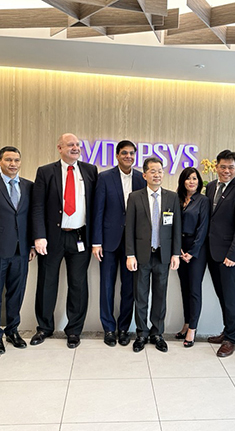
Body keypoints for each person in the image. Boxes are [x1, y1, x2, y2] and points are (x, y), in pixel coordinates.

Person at [31, 133, 98, 349]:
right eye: (70, 145)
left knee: (78, 285)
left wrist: (96, 239)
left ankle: (74, 330)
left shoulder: (90, 171)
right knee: (47, 282)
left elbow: (95, 207)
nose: (75, 148)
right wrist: (39, 236)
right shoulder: (45, 172)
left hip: (80, 236)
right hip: (52, 238)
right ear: (59, 148)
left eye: (78, 145)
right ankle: (44, 328)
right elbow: (38, 206)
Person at [0, 146, 35, 354]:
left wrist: (30, 245)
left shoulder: (29, 186)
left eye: (16, 160)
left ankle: (12, 330)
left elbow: (31, 218)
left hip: (21, 250)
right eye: (9, 160)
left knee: (16, 293)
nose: (13, 164)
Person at [92, 140, 146, 347]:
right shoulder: (105, 178)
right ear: (117, 155)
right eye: (124, 153)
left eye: (132, 153)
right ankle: (108, 328)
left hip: (132, 244)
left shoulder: (142, 179)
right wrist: (96, 241)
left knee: (129, 288)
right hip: (108, 241)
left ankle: (123, 328)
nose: (128, 156)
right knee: (106, 286)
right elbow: (98, 211)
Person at [125, 157, 181, 353]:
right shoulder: (134, 197)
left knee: (160, 296)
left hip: (163, 255)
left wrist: (176, 253)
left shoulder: (172, 197)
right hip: (141, 255)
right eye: (153, 171)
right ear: (145, 175)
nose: (157, 175)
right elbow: (129, 228)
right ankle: (141, 333)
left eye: (160, 171)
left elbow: (176, 228)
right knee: (140, 297)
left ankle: (157, 333)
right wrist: (129, 254)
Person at [205, 150, 235, 357]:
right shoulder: (209, 187)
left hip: (229, 255)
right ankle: (227, 330)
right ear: (216, 167)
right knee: (221, 294)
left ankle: (232, 338)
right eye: (223, 166)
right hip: (212, 252)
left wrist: (234, 255)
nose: (226, 170)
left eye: (231, 167)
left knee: (231, 296)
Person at [175, 167, 210, 347]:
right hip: (180, 249)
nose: (191, 182)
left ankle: (192, 329)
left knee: (194, 289)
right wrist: (178, 249)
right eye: (188, 178)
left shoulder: (203, 201)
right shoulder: (177, 199)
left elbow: (203, 228)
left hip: (197, 250)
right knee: (184, 288)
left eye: (195, 178)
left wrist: (192, 251)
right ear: (183, 181)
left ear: (199, 181)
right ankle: (186, 322)